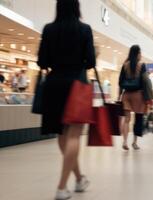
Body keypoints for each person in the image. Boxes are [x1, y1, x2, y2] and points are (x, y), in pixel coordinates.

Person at [37, 0, 95, 199]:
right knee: (74, 136)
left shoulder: (49, 29)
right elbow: (91, 62)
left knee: (62, 136)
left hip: (54, 85)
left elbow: (42, 61)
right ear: (76, 8)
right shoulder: (85, 29)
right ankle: (62, 187)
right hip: (76, 85)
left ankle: (79, 179)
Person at [119, 45, 149, 151]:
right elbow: (145, 82)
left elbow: (120, 82)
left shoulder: (125, 65)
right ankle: (134, 143)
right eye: (140, 53)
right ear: (137, 54)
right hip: (138, 95)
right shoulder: (142, 66)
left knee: (126, 120)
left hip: (126, 94)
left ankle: (124, 141)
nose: (141, 55)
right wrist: (147, 97)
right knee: (138, 119)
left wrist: (120, 95)